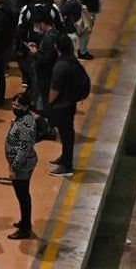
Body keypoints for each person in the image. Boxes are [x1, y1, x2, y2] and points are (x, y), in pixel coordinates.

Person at [5, 92, 38, 240]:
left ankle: (25, 228)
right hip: (19, 163)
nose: (14, 107)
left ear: (26, 106)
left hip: (22, 165)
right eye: (13, 105)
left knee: (23, 196)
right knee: (22, 195)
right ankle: (24, 221)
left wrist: (14, 167)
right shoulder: (21, 118)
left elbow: (24, 148)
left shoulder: (26, 124)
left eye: (17, 105)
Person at [47, 36, 81, 177]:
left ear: (57, 48)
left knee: (66, 133)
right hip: (70, 102)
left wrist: (49, 102)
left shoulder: (61, 65)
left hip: (62, 105)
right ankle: (65, 157)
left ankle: (67, 165)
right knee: (67, 133)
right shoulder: (72, 61)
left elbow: (55, 89)